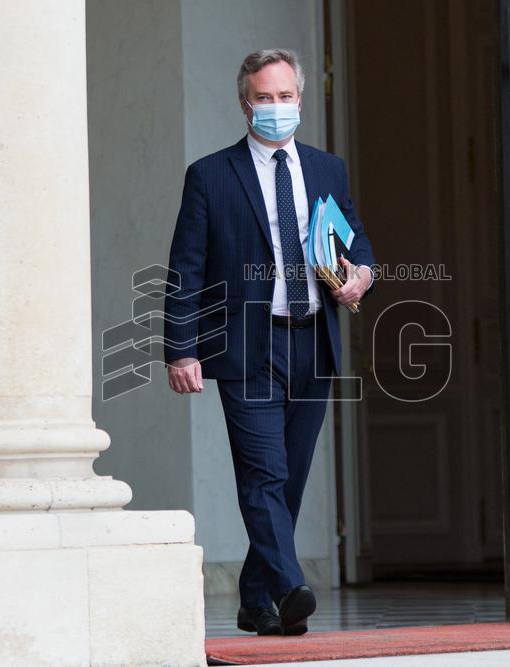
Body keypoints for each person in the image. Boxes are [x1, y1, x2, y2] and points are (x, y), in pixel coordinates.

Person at [163, 48, 376, 636]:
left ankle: (256, 599)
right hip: (245, 348)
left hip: (313, 342)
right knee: (264, 476)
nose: (276, 107)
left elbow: (356, 239)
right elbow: (185, 267)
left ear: (300, 100)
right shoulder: (210, 175)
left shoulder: (328, 169)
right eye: (264, 97)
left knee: (293, 478)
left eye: (285, 97)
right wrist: (181, 348)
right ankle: (289, 585)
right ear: (244, 103)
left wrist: (363, 273)